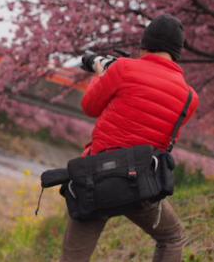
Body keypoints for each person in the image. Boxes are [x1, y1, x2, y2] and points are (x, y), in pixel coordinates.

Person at [61, 14, 199, 262]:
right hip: (141, 186)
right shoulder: (190, 97)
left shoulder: (124, 69)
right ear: (177, 52)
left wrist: (103, 73)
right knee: (172, 238)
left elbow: (90, 107)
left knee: (73, 258)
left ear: (144, 43)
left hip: (96, 181)